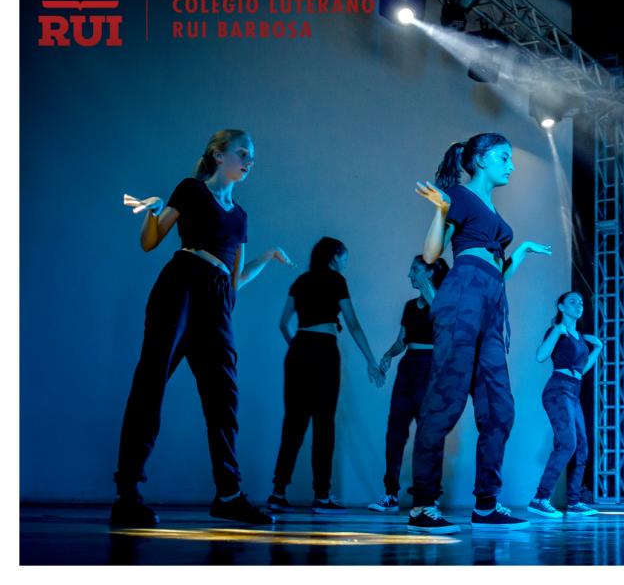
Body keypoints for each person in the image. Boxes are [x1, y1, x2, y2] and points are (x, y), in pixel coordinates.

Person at [112, 129, 292, 527]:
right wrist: (152, 211)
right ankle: (127, 492)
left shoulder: (240, 216)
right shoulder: (191, 190)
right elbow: (150, 242)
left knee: (224, 397)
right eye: (242, 152)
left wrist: (265, 258)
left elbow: (234, 279)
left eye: (252, 156)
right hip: (181, 286)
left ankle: (228, 495)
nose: (249, 161)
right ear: (218, 155)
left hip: (217, 300)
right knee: (151, 383)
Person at [408, 133, 551, 534]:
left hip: (491, 299)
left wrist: (520, 252)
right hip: (463, 295)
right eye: (504, 157)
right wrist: (440, 211)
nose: (511, 165)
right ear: (481, 159)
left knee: (499, 408)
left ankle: (486, 505)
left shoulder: (491, 209)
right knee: (445, 399)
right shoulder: (459, 195)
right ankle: (423, 505)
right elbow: (432, 254)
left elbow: (498, 272)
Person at [266, 237, 385, 514]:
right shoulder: (336, 281)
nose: (345, 263)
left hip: (298, 351)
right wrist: (371, 360)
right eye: (344, 258)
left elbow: (283, 323)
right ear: (334, 257)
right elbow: (353, 324)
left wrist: (298, 348)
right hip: (324, 352)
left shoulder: (301, 281)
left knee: (293, 423)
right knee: (324, 424)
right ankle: (322, 496)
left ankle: (277, 493)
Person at [367, 255, 450, 512]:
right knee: (395, 431)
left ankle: (428, 495)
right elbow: (401, 341)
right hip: (408, 369)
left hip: (431, 369)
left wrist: (432, 295)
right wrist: (388, 355)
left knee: (429, 434)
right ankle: (390, 494)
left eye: (415, 269)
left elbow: (448, 331)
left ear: (429, 272)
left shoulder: (445, 302)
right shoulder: (410, 306)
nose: (409, 274)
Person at [527, 291, 602, 518]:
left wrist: (597, 349)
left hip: (574, 390)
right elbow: (541, 356)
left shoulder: (580, 337)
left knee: (582, 447)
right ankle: (540, 498)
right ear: (561, 307)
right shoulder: (557, 330)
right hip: (558, 390)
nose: (579, 305)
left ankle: (574, 501)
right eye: (573, 302)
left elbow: (581, 370)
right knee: (567, 443)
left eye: (581, 302)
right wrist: (558, 330)